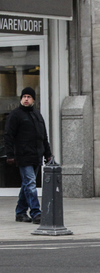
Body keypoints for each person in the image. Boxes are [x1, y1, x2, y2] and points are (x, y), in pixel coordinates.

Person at [4, 87, 52, 224]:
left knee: (27, 184)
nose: (26, 99)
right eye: (24, 96)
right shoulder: (15, 115)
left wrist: (48, 154)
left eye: (29, 97)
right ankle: (36, 213)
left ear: (33, 100)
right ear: (21, 99)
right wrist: (10, 155)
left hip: (36, 156)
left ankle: (20, 212)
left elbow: (43, 137)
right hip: (23, 156)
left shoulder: (37, 116)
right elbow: (8, 136)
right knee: (30, 183)